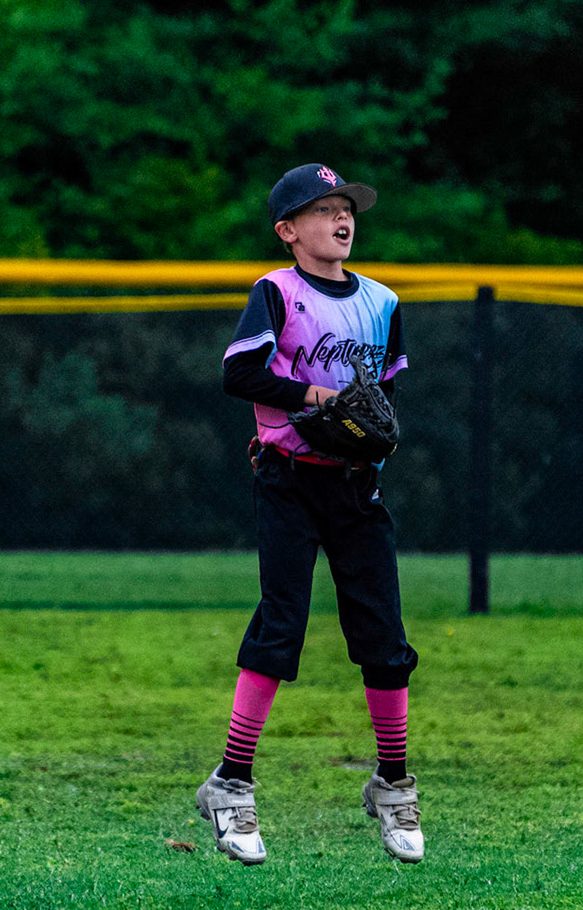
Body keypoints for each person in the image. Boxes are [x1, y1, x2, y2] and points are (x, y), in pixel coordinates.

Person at [194, 163, 423, 867]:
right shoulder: (276, 293)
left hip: (355, 487)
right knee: (281, 625)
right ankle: (231, 784)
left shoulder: (382, 302)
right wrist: (320, 401)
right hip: (288, 479)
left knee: (383, 636)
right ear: (289, 231)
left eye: (346, 207)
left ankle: (393, 787)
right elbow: (240, 374)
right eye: (323, 210)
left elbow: (381, 396)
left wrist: (368, 432)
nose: (341, 218)